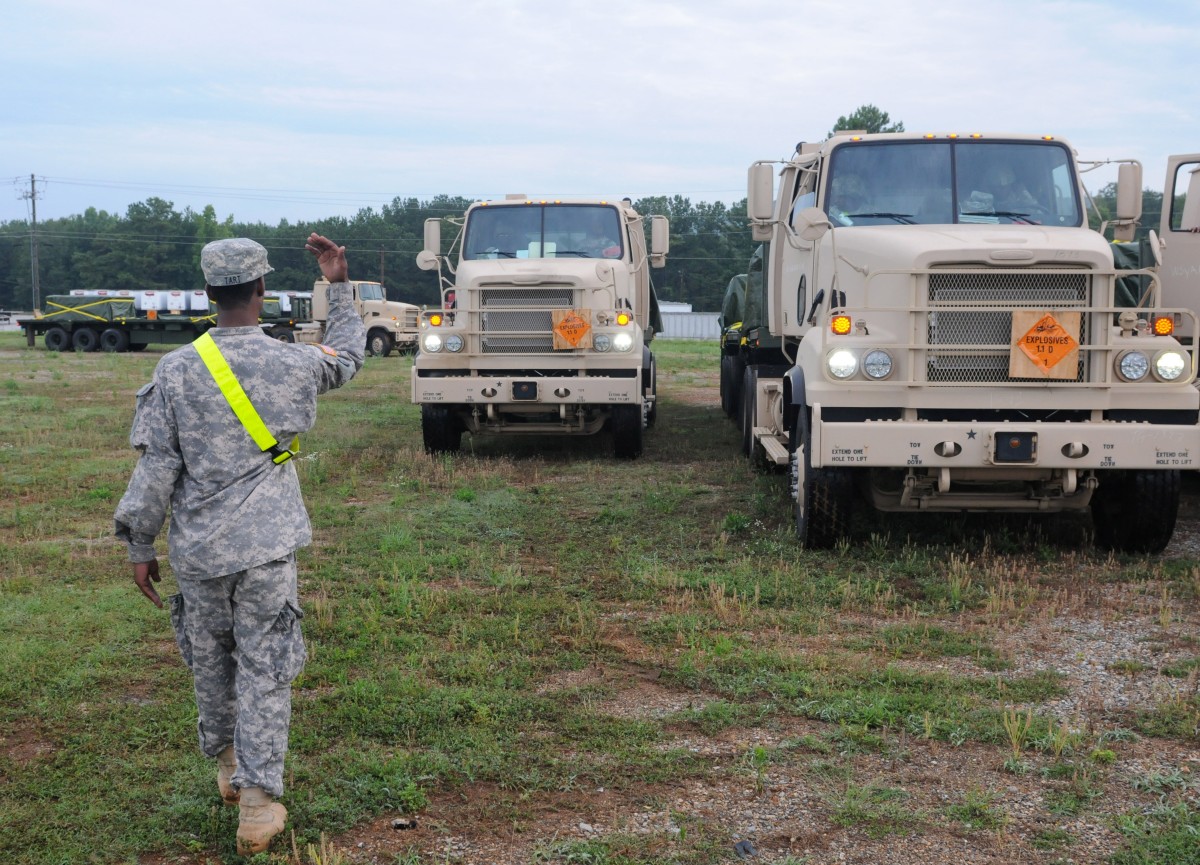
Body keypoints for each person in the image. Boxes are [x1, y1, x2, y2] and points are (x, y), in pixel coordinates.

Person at [114, 234, 366, 855]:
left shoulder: (174, 370)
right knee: (265, 666)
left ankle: (228, 764)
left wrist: (140, 543)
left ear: (207, 293)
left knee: (211, 661)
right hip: (266, 549)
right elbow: (349, 357)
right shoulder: (292, 362)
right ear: (261, 291)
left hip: (197, 552)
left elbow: (155, 468)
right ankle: (255, 806)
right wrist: (336, 285)